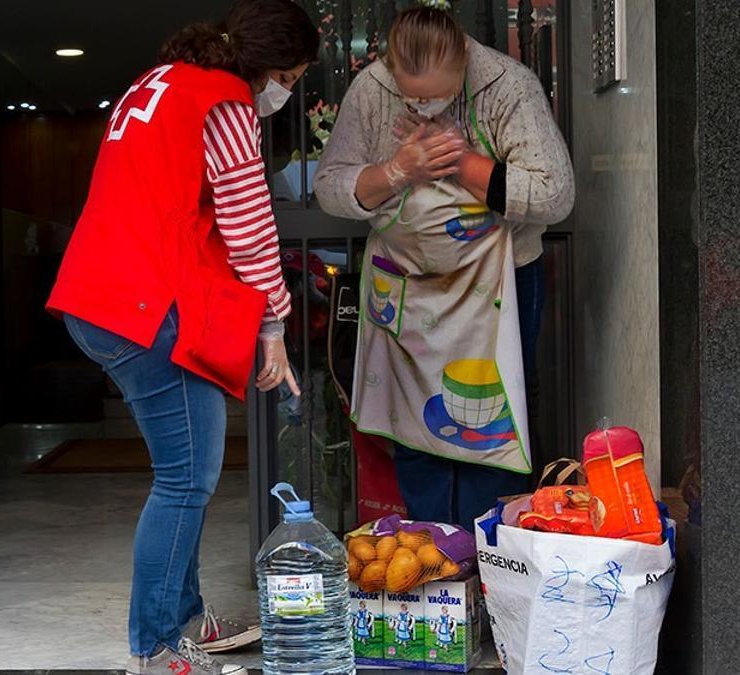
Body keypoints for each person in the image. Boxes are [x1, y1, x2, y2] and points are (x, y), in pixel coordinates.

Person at [45, 2, 318, 673]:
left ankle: (187, 619)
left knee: (184, 473)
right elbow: (250, 225)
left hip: (95, 296)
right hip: (140, 306)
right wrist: (274, 325)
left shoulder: (160, 81)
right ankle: (156, 646)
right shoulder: (224, 102)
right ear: (271, 68)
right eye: (291, 77)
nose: (286, 92)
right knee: (185, 479)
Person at [314, 4, 574, 531]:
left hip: (498, 280)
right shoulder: (371, 91)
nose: (424, 104)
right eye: (411, 95)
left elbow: (554, 194)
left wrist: (461, 162)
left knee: (491, 426)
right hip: (406, 287)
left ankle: (492, 559)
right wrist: (395, 171)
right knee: (416, 422)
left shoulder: (508, 85)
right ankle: (430, 556)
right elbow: (330, 186)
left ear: (465, 68)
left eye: (436, 94)